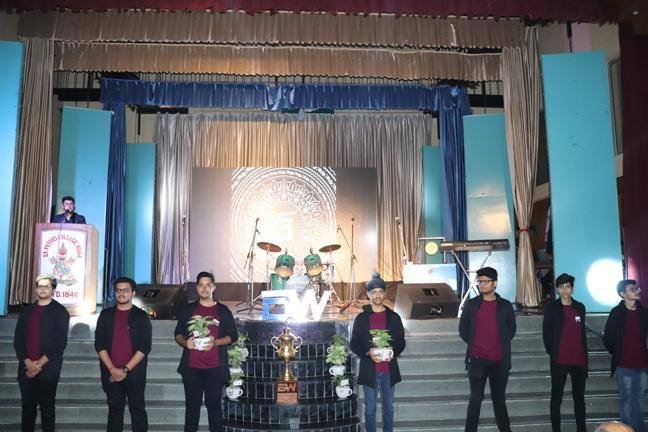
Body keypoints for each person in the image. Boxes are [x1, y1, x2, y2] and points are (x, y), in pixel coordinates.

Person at [174, 271, 238, 432]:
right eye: (201, 285)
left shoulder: (222, 311)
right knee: (192, 410)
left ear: (213, 287)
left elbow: (233, 336)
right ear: (197, 288)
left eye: (208, 285)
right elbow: (178, 334)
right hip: (192, 369)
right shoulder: (189, 310)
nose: (204, 288)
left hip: (215, 369)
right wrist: (185, 343)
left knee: (214, 408)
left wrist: (216, 342)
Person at [459, 266, 516, 432]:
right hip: (477, 361)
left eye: (485, 281)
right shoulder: (472, 305)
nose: (482, 285)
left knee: (499, 401)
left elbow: (511, 329)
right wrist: (476, 343)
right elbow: (463, 329)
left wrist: (499, 343)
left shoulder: (505, 306)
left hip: (499, 362)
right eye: (480, 282)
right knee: (475, 401)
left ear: (495, 283)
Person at [13, 274, 70, 432]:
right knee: (27, 407)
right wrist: (28, 362)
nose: (43, 289)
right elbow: (18, 340)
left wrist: (38, 365)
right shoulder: (27, 311)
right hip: (26, 367)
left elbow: (59, 343)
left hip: (49, 368)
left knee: (47, 407)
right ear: (36, 289)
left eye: (46, 286)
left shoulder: (60, 312)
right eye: (40, 286)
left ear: (53, 290)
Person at [94, 277, 152, 432]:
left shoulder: (141, 316)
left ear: (133, 293)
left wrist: (126, 369)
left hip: (135, 372)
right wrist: (112, 369)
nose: (121, 293)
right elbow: (99, 345)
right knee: (114, 411)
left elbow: (144, 347)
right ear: (114, 293)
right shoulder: (106, 315)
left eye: (125, 290)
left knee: (137, 410)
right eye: (118, 290)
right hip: (111, 372)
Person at [350, 272, 406, 432]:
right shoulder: (361, 319)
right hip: (370, 369)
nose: (377, 295)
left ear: (385, 293)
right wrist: (368, 353)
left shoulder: (394, 317)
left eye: (380, 291)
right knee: (370, 409)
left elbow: (401, 341)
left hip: (388, 369)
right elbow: (354, 344)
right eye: (374, 292)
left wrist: (393, 351)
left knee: (388, 408)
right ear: (368, 294)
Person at [542, 273, 588, 432]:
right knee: (556, 398)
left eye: (568, 286)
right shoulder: (551, 308)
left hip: (579, 360)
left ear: (572, 288)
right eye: (561, 287)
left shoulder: (580, 307)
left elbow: (582, 334)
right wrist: (554, 353)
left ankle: (581, 429)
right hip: (560, 360)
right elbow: (546, 334)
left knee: (579, 398)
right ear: (557, 289)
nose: (565, 290)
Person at [603, 279, 648, 432]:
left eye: (636, 288)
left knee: (639, 401)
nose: (636, 291)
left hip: (643, 364)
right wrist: (618, 353)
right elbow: (608, 338)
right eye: (632, 289)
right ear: (622, 294)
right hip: (624, 365)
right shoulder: (617, 313)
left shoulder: (644, 312)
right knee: (626, 402)